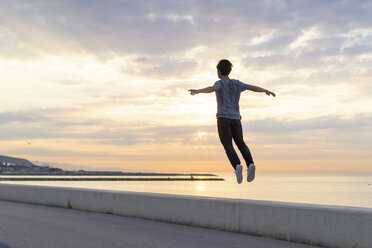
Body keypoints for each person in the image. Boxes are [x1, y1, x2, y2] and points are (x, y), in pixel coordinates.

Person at [188, 59, 275, 184]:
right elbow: (252, 87)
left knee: (228, 145)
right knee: (241, 143)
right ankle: (250, 164)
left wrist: (198, 91)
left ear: (219, 71)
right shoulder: (237, 83)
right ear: (229, 71)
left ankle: (237, 166)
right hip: (236, 119)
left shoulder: (219, 83)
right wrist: (266, 90)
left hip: (224, 119)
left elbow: (212, 88)